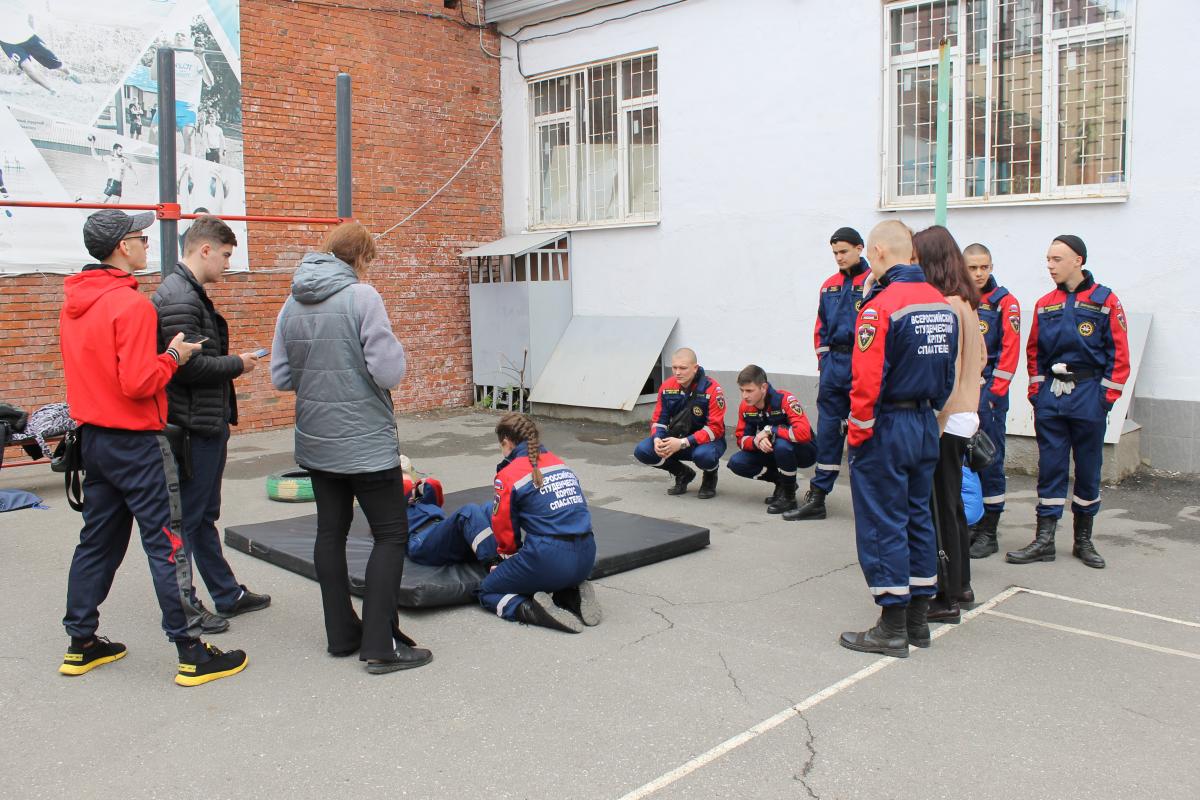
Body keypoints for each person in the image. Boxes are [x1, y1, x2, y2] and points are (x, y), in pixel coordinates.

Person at [58, 209, 247, 686]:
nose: (146, 245)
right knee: (167, 542)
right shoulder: (131, 306)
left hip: (94, 441)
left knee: (97, 541)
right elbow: (139, 382)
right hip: (137, 442)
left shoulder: (74, 303)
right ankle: (191, 652)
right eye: (141, 238)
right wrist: (174, 355)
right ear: (123, 248)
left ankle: (81, 642)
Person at [272, 221, 431, 674]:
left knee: (330, 533)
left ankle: (342, 635)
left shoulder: (292, 302)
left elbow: (282, 377)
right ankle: (381, 644)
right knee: (390, 535)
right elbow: (388, 372)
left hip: (317, 442)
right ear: (360, 257)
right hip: (366, 443)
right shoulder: (363, 297)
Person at [839, 220, 957, 658]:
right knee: (917, 518)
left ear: (879, 253)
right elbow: (946, 375)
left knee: (882, 523)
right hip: (924, 422)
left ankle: (890, 627)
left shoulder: (879, 307)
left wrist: (859, 431)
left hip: (886, 426)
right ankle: (917, 621)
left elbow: (866, 380)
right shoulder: (940, 304)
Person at [153, 215, 270, 634]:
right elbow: (185, 367)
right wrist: (239, 363)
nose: (226, 264)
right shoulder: (181, 298)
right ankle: (188, 606)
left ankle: (226, 593)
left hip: (200, 421)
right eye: (224, 256)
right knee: (189, 517)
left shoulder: (186, 293)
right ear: (204, 250)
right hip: (193, 426)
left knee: (200, 515)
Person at [1007, 235, 1129, 570]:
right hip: (1052, 400)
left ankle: (1083, 540)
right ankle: (1044, 539)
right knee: (1051, 468)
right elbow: (1034, 354)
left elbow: (1119, 356)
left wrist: (1105, 399)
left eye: (1057, 259)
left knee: (1088, 469)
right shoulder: (1046, 303)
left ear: (1078, 260)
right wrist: (1037, 394)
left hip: (1089, 396)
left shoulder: (1105, 300)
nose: (1050, 265)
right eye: (1048, 259)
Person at [913, 225, 986, 624]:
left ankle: (946, 596)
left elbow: (948, 370)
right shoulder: (967, 303)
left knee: (940, 509)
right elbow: (981, 359)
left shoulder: (948, 306)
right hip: (964, 415)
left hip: (946, 420)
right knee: (953, 506)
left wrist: (934, 417)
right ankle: (961, 585)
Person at [479, 413, 599, 633]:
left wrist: (507, 561)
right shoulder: (560, 464)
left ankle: (532, 611)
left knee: (487, 591)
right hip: (587, 555)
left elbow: (504, 526)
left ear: (505, 441)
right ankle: (571, 595)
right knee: (551, 566)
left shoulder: (509, 475)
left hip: (549, 558)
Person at [789, 226, 870, 522]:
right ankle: (818, 495)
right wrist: (824, 361)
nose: (838, 257)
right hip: (834, 364)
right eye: (835, 252)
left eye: (844, 251)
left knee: (864, 432)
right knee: (828, 431)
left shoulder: (874, 282)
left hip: (862, 363)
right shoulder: (829, 285)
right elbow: (820, 327)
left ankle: (869, 500)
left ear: (860, 248)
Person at [964, 243, 1021, 558]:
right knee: (965, 461)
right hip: (963, 394)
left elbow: (1009, 354)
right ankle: (973, 522)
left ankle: (990, 531)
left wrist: (992, 395)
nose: (979, 273)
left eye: (984, 267)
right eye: (972, 268)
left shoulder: (1004, 303)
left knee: (989, 458)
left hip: (988, 397)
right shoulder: (959, 298)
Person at [633, 348, 727, 498]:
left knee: (704, 456)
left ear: (695, 368)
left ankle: (710, 475)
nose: (677, 372)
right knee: (643, 450)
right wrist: (658, 438)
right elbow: (659, 420)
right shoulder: (667, 387)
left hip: (706, 442)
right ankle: (683, 473)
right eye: (674, 368)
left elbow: (714, 429)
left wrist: (683, 442)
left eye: (683, 368)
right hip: (677, 439)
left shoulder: (712, 389)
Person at [726, 364, 816, 514]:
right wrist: (757, 441)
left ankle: (789, 499)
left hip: (804, 451)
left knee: (781, 445)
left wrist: (771, 430)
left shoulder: (785, 399)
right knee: (736, 463)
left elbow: (803, 434)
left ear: (763, 387)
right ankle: (784, 483)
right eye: (741, 390)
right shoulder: (745, 407)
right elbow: (741, 439)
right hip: (773, 451)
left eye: (749, 391)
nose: (744, 396)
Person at [0, 0, 81, 95]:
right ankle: (52, 90)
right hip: (8, 42)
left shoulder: (24, 4)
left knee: (55, 64)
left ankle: (69, 73)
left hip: (28, 37)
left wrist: (61, 28)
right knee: (27, 67)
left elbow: (38, 15)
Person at [171, 35, 214, 157]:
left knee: (189, 138)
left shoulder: (195, 59)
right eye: (177, 34)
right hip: (170, 102)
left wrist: (202, 58)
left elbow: (210, 82)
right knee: (156, 133)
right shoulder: (171, 56)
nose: (179, 37)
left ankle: (188, 170)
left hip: (187, 105)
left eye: (183, 35)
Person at [82, 139, 137, 204]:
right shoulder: (109, 158)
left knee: (115, 205)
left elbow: (131, 168)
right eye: (120, 150)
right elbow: (95, 156)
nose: (121, 152)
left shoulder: (125, 160)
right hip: (112, 182)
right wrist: (92, 144)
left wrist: (136, 179)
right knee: (102, 201)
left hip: (119, 185)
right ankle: (82, 197)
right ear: (115, 150)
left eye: (121, 150)